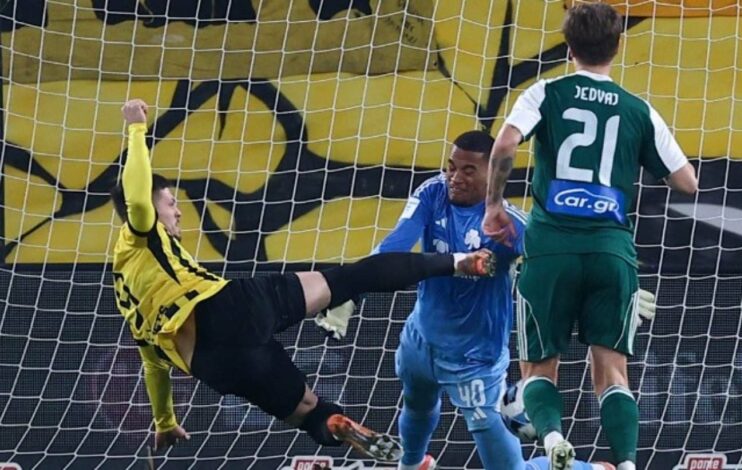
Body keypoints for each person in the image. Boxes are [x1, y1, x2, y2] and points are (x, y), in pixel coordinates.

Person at [109, 99, 495, 461]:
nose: (178, 212)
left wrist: (164, 420)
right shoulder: (140, 230)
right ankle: (458, 262)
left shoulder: (126, 286)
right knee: (350, 278)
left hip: (211, 365)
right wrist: (136, 128)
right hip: (226, 309)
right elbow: (138, 201)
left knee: (308, 411)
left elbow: (153, 366)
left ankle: (336, 424)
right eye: (171, 203)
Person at [318, 131, 630, 470]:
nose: (455, 178)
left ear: (494, 174)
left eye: (468, 171)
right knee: (417, 404)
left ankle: (593, 469)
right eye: (451, 167)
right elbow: (395, 245)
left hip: (475, 361)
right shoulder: (433, 192)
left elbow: (563, 267)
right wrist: (350, 291)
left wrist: (612, 290)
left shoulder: (511, 226)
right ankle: (412, 464)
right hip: (420, 340)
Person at [481, 3, 698, 470]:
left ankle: (553, 438)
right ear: (617, 46)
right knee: (613, 372)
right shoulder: (638, 109)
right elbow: (687, 182)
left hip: (551, 250)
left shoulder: (545, 92)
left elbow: (505, 143)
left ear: (569, 46)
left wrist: (494, 205)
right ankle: (627, 463)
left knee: (539, 368)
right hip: (611, 252)